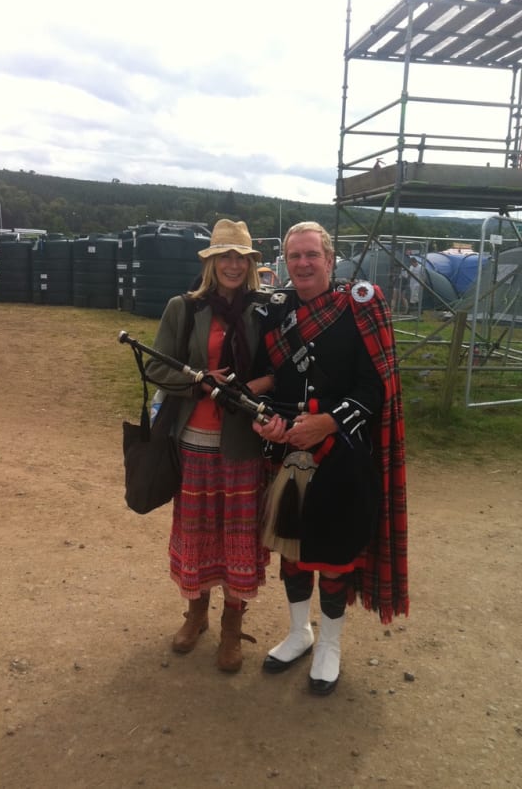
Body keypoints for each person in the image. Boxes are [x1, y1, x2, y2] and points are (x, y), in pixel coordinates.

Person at [253, 221, 408, 696]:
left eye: (311, 255)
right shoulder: (276, 310)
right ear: (285, 261)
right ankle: (300, 632)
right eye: (294, 256)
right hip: (288, 450)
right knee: (293, 551)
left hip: (342, 453)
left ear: (329, 259)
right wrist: (267, 420)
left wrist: (329, 422)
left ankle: (330, 645)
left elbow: (376, 386)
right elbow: (268, 379)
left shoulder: (359, 306)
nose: (302, 264)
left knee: (336, 557)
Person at [146, 219, 273, 673]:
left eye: (240, 258)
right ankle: (196, 614)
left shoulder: (265, 310)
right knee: (198, 532)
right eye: (225, 257)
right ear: (212, 263)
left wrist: (251, 387)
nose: (233, 265)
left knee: (239, 535)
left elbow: (280, 368)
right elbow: (156, 368)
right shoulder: (184, 308)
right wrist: (200, 382)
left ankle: (231, 627)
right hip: (194, 440)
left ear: (250, 264)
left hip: (244, 443)